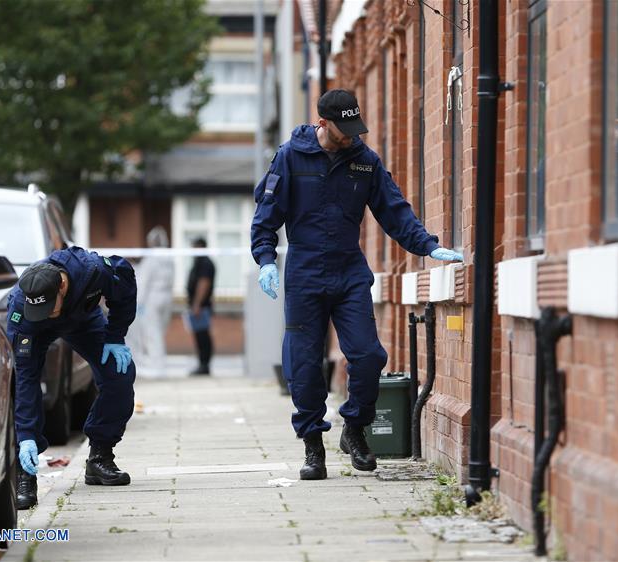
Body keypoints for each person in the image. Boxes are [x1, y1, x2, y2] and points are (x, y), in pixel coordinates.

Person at [251, 89, 463, 480]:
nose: (351, 136)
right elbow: (266, 217)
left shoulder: (364, 161)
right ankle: (313, 445)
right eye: (343, 129)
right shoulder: (290, 157)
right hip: (304, 272)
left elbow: (393, 210)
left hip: (348, 270)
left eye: (355, 128)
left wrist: (428, 247)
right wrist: (266, 259)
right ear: (323, 123)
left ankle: (354, 427)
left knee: (368, 356)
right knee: (304, 363)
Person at [7, 247, 137, 509]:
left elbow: (125, 283)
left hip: (82, 321)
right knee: (21, 385)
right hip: (35, 331)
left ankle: (100, 457)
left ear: (62, 286)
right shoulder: (23, 307)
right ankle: (25, 472)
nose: (44, 310)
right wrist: (26, 437)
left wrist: (115, 335)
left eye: (47, 305)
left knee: (120, 373)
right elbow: (26, 379)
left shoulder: (92, 270)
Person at [127, 226, 175, 378]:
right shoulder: (170, 258)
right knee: (160, 331)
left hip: (153, 299)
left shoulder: (151, 259)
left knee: (153, 334)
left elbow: (144, 283)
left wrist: (138, 304)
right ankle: (159, 364)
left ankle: (157, 367)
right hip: (167, 297)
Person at [186, 237, 216, 375]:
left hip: (201, 306)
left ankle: (204, 365)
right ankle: (202, 364)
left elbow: (204, 283)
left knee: (202, 336)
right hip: (198, 305)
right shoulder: (199, 262)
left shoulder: (205, 263)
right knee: (199, 335)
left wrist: (197, 304)